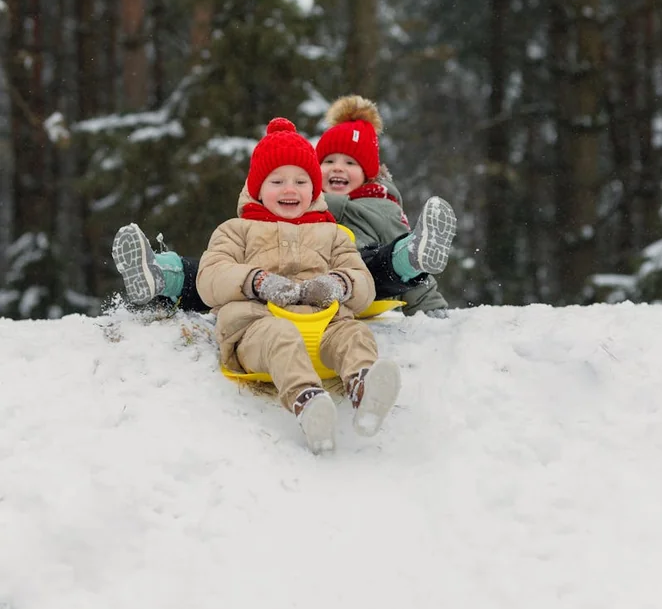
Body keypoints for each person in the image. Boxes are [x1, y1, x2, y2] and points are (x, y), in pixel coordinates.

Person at [112, 95, 456, 317]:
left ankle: (414, 252)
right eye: (329, 161)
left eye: (350, 164)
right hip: (271, 273)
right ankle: (159, 274)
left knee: (378, 264)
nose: (338, 168)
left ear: (369, 175)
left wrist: (428, 307)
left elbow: (408, 277)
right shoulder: (297, 198)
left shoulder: (379, 205)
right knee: (211, 274)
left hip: (342, 277)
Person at [195, 117, 401, 453]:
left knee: (354, 335)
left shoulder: (333, 234)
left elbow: (363, 283)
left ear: (315, 189)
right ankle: (309, 405)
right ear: (257, 188)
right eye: (277, 181)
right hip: (258, 329)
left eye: (301, 181)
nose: (290, 190)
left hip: (324, 328)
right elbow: (210, 277)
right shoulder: (237, 230)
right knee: (281, 336)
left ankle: (365, 390)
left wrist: (339, 284)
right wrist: (255, 281)